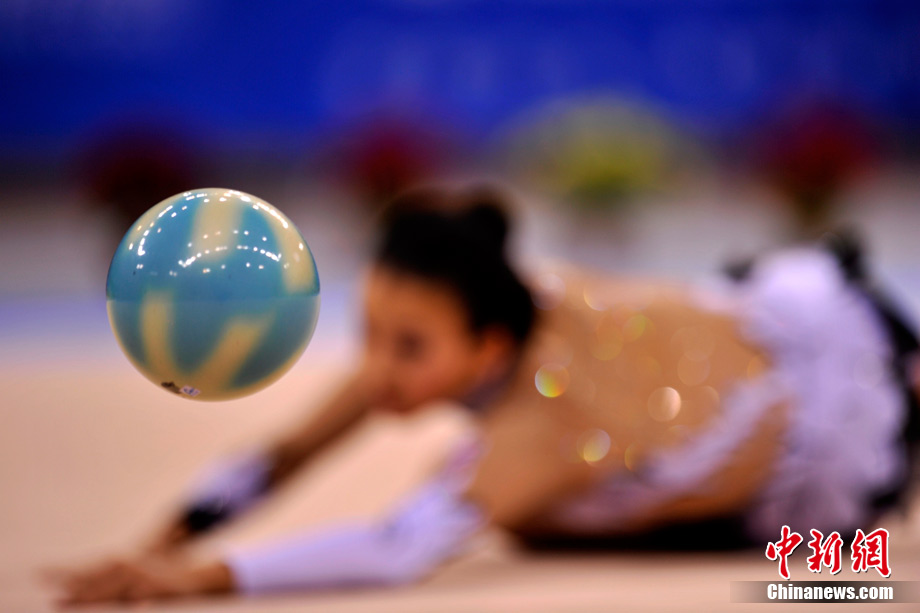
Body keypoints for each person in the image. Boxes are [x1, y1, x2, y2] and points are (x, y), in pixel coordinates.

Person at [46, 185, 919, 605]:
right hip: (752, 349)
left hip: (841, 413)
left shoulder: (543, 419)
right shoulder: (471, 304)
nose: (376, 370)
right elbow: (287, 452)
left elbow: (395, 547)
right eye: (370, 330)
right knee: (531, 518)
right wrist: (157, 542)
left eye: (408, 347)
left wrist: (197, 579)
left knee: (521, 515)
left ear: (487, 348)